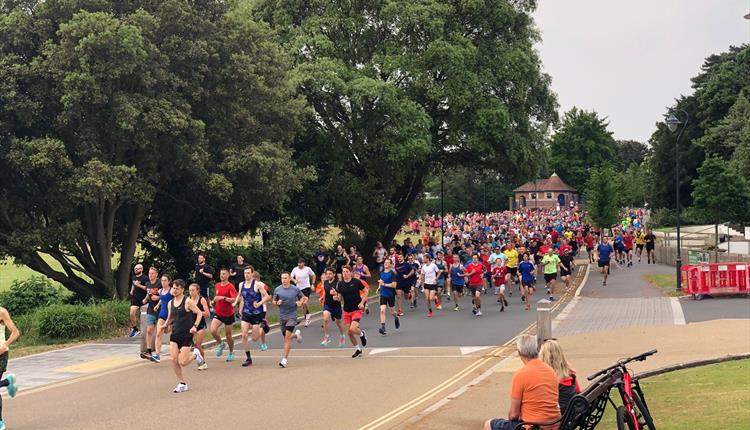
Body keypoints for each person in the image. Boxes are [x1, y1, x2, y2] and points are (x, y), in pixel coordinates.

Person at [483, 335, 560, 430]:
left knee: (489, 424)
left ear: (519, 353)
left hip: (533, 426)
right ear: (537, 350)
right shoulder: (550, 371)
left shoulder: (520, 375)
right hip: (554, 423)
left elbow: (514, 414)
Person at [164, 279, 205, 393]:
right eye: (173, 288)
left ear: (182, 289)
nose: (175, 290)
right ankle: (182, 383)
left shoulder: (187, 302)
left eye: (177, 288)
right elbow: (170, 317)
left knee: (183, 362)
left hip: (186, 335)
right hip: (175, 334)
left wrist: (195, 326)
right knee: (173, 359)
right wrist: (166, 326)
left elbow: (199, 313)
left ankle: (195, 354)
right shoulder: (170, 303)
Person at [234, 267, 270, 367]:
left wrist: (259, 303)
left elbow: (267, 296)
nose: (246, 275)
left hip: (256, 313)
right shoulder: (241, 284)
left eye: (248, 273)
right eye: (245, 273)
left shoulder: (257, 284)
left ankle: (263, 327)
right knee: (244, 335)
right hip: (246, 312)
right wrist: (235, 302)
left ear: (252, 273)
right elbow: (239, 294)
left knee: (254, 338)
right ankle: (248, 358)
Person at [333, 266, 369, 358]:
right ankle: (358, 349)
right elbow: (340, 298)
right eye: (343, 272)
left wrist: (362, 303)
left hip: (356, 309)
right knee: (349, 332)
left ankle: (362, 334)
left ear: (350, 273)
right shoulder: (340, 284)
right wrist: (336, 298)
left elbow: (366, 291)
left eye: (346, 271)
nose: (344, 273)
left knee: (353, 329)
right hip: (346, 310)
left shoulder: (356, 282)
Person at [273, 273, 306, 368]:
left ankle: (284, 360)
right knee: (287, 336)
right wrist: (276, 302)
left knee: (287, 338)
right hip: (282, 316)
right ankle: (296, 335)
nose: (283, 280)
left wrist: (300, 302)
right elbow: (273, 301)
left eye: (285, 278)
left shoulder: (295, 289)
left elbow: (303, 297)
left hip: (292, 316)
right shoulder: (277, 289)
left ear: (289, 279)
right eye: (282, 278)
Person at [539, 340, 581, 415]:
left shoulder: (547, 380)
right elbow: (578, 391)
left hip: (556, 418)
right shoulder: (570, 375)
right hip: (570, 415)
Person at [210, 269, 238, 362]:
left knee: (228, 336)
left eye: (224, 274)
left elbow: (234, 299)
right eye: (220, 273)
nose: (221, 275)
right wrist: (213, 302)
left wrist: (223, 298)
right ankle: (221, 344)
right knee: (213, 330)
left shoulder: (230, 287)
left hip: (228, 314)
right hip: (218, 313)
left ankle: (231, 353)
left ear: (228, 275)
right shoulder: (217, 285)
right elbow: (216, 297)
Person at [0, 306, 20, 430]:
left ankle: (0, 421)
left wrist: (5, 345)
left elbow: (15, 332)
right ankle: (8, 382)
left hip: (0, 354)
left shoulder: (1, 312)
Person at [317, 268, 346, 347]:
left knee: (338, 322)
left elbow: (340, 297)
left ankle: (342, 335)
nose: (328, 275)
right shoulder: (325, 282)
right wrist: (322, 297)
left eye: (330, 274)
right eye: (327, 274)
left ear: (334, 274)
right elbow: (325, 292)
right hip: (327, 304)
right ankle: (326, 337)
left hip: (336, 306)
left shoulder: (338, 283)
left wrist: (335, 294)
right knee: (325, 319)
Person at [187, 283, 210, 370]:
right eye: (190, 290)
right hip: (191, 325)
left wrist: (196, 311)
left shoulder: (202, 300)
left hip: (200, 325)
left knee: (198, 345)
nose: (191, 292)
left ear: (197, 291)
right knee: (188, 344)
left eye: (193, 290)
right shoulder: (188, 300)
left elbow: (207, 313)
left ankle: (203, 362)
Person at [152, 273, 174, 362]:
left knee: (166, 331)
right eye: (162, 280)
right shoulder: (160, 291)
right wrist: (157, 305)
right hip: (162, 314)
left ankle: (172, 327)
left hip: (171, 315)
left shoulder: (172, 290)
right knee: (158, 334)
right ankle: (157, 355)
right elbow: (162, 298)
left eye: (165, 280)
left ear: (169, 281)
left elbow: (178, 298)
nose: (163, 282)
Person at [141, 267, 160, 361]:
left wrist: (158, 298)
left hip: (161, 309)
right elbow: (148, 294)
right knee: (149, 330)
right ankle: (149, 351)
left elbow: (164, 294)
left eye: (152, 273)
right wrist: (145, 299)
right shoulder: (148, 284)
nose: (150, 275)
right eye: (149, 273)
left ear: (156, 274)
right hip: (151, 310)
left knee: (162, 331)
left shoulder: (160, 283)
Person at [377, 259, 400, 336]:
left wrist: (383, 284)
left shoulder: (392, 274)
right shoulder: (382, 273)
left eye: (387, 263)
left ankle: (396, 317)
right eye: (385, 263)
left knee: (392, 312)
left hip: (390, 295)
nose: (385, 264)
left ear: (390, 265)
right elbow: (381, 281)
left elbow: (394, 285)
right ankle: (383, 327)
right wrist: (379, 287)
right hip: (383, 294)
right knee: (382, 310)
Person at [290, 258, 316, 326]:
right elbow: (290, 277)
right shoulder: (295, 269)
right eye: (298, 263)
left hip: (306, 287)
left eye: (300, 263)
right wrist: (294, 280)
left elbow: (313, 275)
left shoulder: (308, 269)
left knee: (305, 302)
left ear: (303, 263)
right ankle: (307, 317)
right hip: (298, 289)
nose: (299, 264)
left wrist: (312, 284)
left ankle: (307, 318)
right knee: (303, 305)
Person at [128, 263, 149, 337]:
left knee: (144, 315)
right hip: (135, 299)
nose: (136, 270)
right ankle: (135, 329)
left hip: (143, 299)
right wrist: (132, 290)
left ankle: (147, 330)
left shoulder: (145, 278)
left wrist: (139, 285)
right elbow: (133, 284)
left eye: (138, 268)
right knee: (132, 313)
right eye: (135, 269)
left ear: (142, 269)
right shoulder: (133, 277)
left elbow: (147, 288)